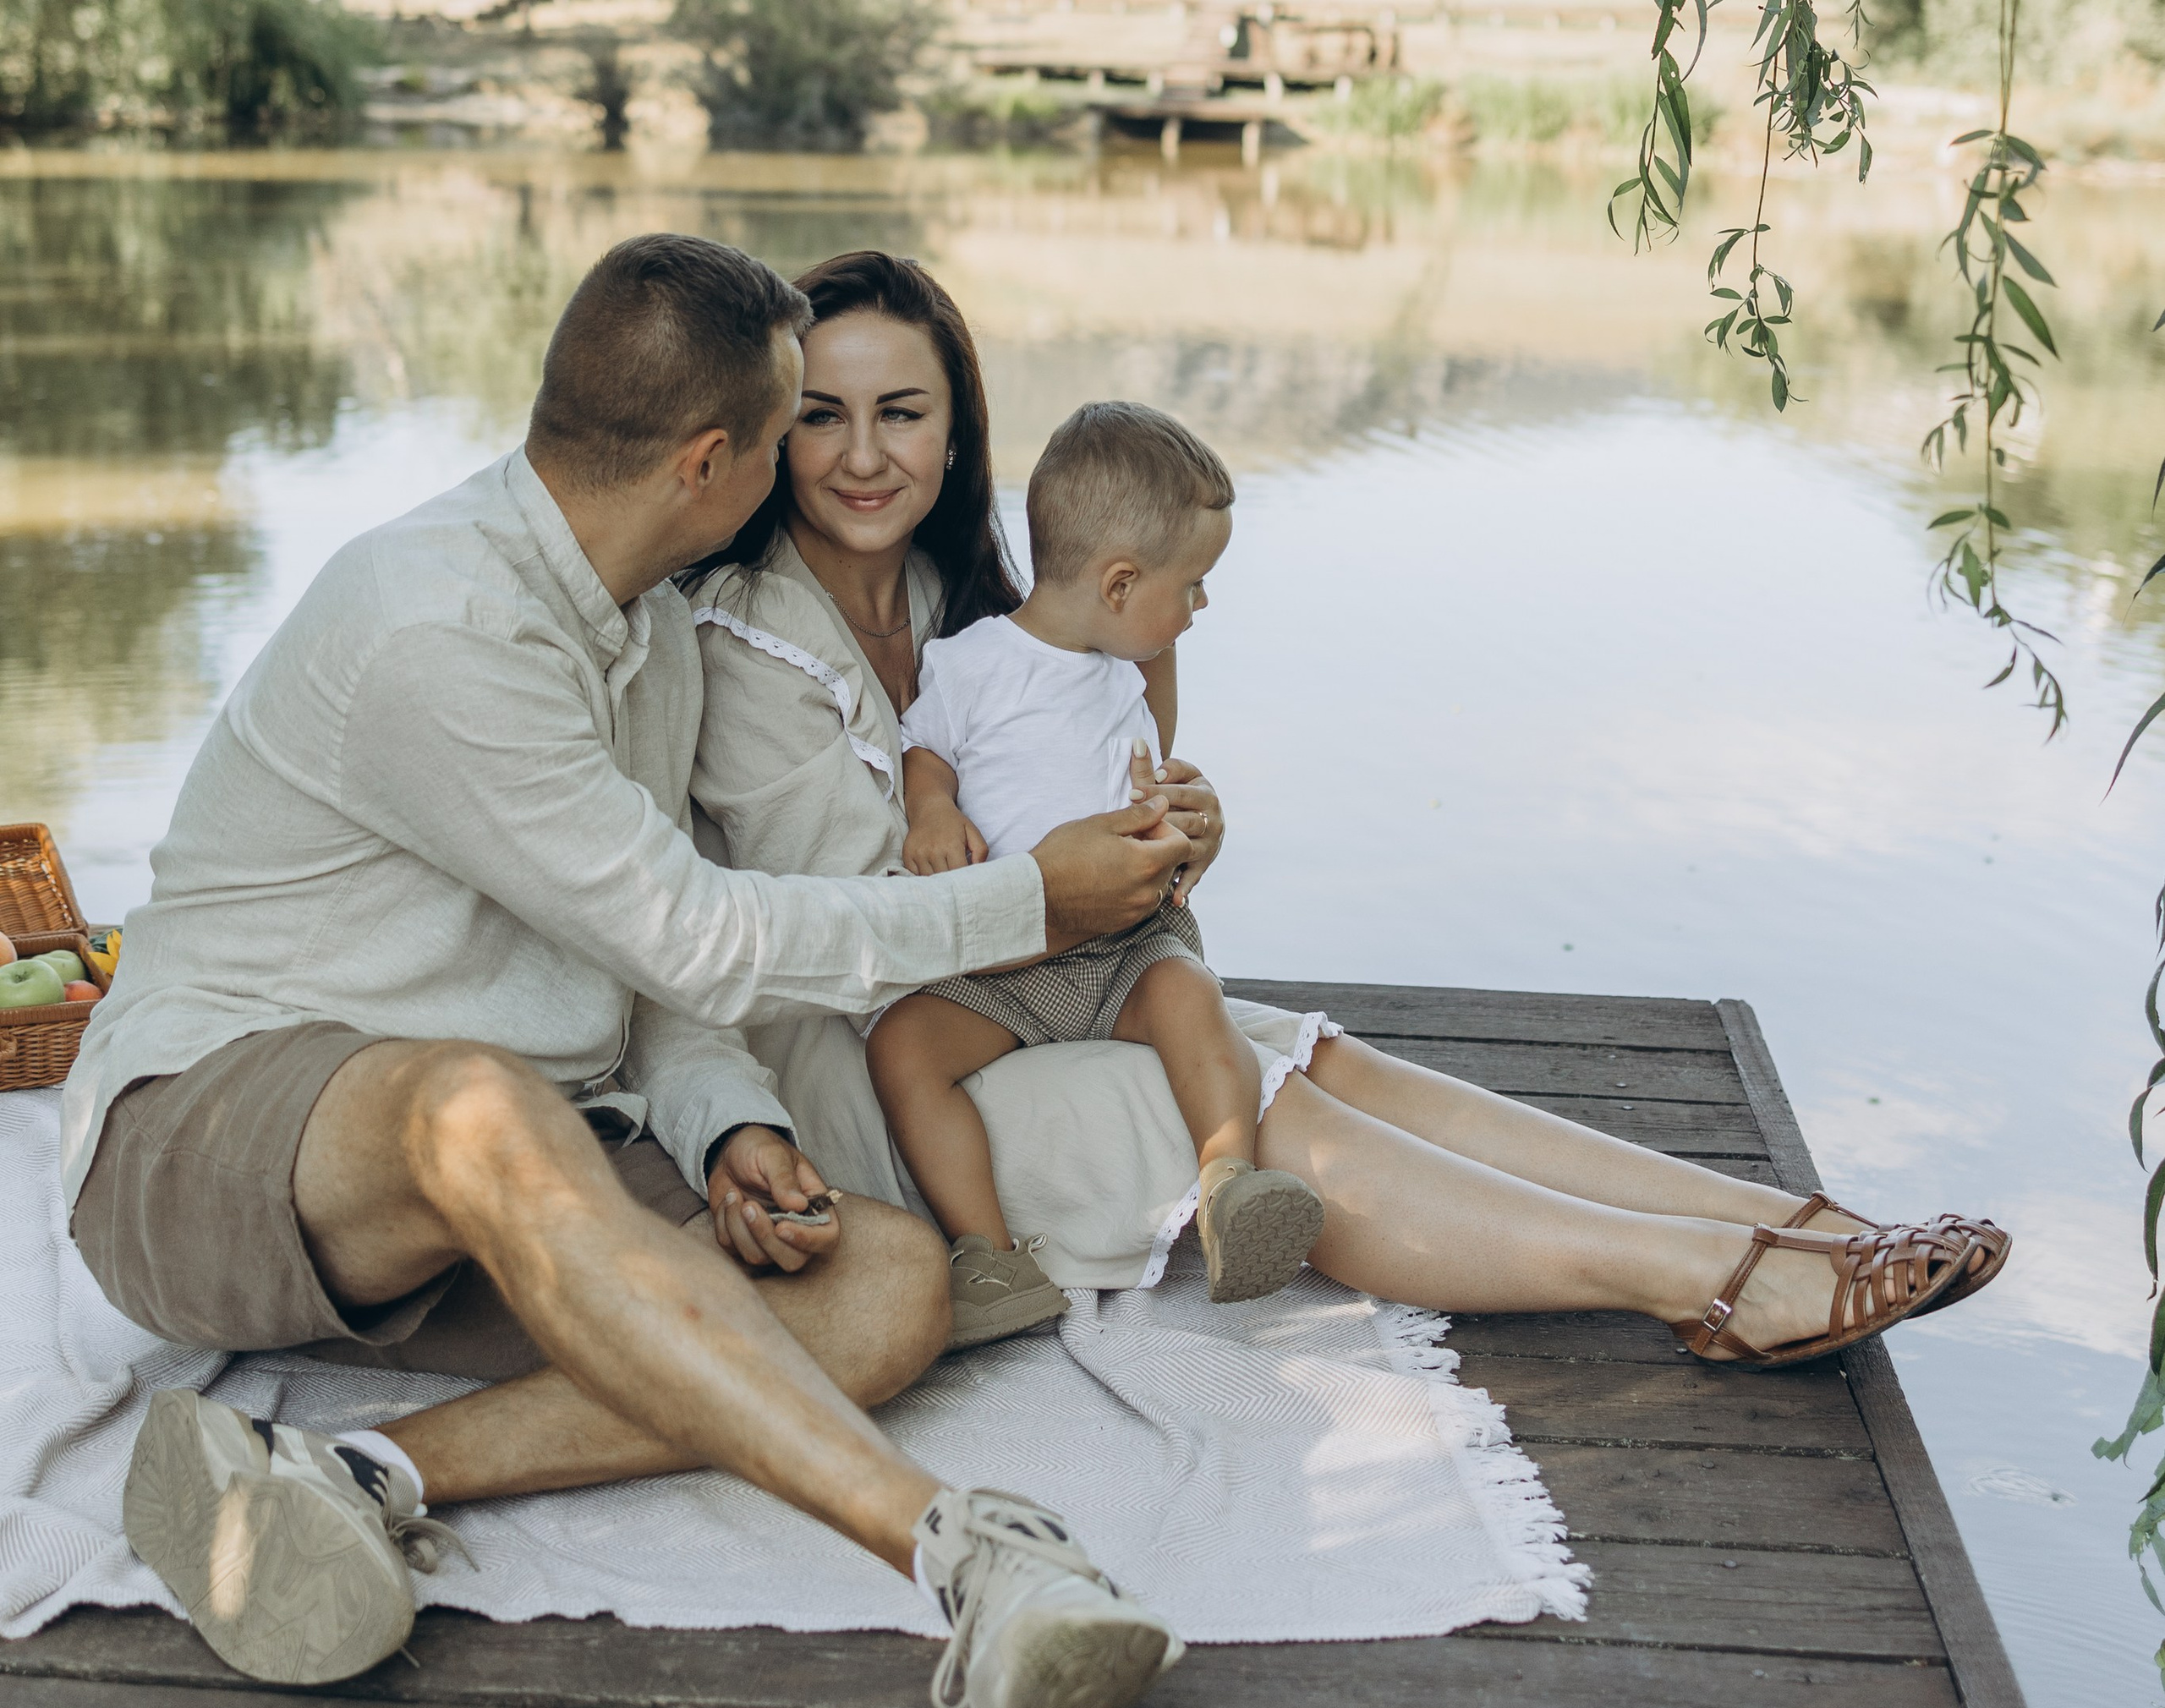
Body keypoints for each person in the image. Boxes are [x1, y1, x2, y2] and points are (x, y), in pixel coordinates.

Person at [63, 233, 1190, 1708]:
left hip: (506, 1155)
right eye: (797, 423)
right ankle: (964, 1559)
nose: (820, 465)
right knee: (475, 1101)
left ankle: (351, 1471)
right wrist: (1030, 904)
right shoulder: (436, 627)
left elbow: (642, 955)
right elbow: (696, 928)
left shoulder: (648, 619)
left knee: (886, 1280)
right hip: (209, 1142)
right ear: (713, 461)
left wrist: (723, 1116)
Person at [685, 249, 2010, 1374]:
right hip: (895, 1067)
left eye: (901, 412)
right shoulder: (746, 641)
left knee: (1330, 1060)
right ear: (771, 427)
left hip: (1045, 974)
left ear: (957, 429)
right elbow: (826, 934)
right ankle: (1711, 1286)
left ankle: (1784, 1221)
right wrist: (1065, 886)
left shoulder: (957, 596)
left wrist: (1172, 824)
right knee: (1272, 1113)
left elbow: (1078, 761)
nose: (863, 455)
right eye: (822, 416)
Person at [876, 399, 1324, 1342]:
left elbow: (1154, 765)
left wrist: (1191, 814)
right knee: (904, 1051)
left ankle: (1229, 1182)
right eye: (1193, 585)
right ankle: (989, 1259)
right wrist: (930, 809)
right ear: (1119, 582)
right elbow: (929, 748)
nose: (1199, 607)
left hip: (1125, 950)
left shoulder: (1134, 661)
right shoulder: (970, 663)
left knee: (1190, 999)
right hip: (1003, 965)